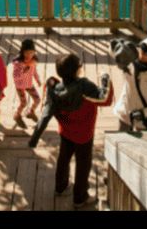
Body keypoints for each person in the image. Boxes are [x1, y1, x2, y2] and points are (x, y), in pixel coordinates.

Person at [49, 53, 114, 210]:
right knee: (83, 165)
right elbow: (105, 100)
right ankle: (80, 197)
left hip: (65, 130)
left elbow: (54, 110)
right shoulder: (85, 87)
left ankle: (61, 187)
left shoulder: (56, 87)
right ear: (77, 70)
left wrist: (65, 124)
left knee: (63, 158)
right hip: (84, 133)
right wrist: (106, 80)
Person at [12, 38, 41, 128]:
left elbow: (34, 71)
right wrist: (24, 69)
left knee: (37, 100)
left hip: (29, 84)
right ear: (22, 52)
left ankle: (31, 112)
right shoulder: (18, 63)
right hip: (20, 86)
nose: (29, 55)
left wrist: (37, 79)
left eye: (31, 53)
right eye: (27, 53)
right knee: (23, 103)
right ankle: (17, 115)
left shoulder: (33, 61)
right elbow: (15, 76)